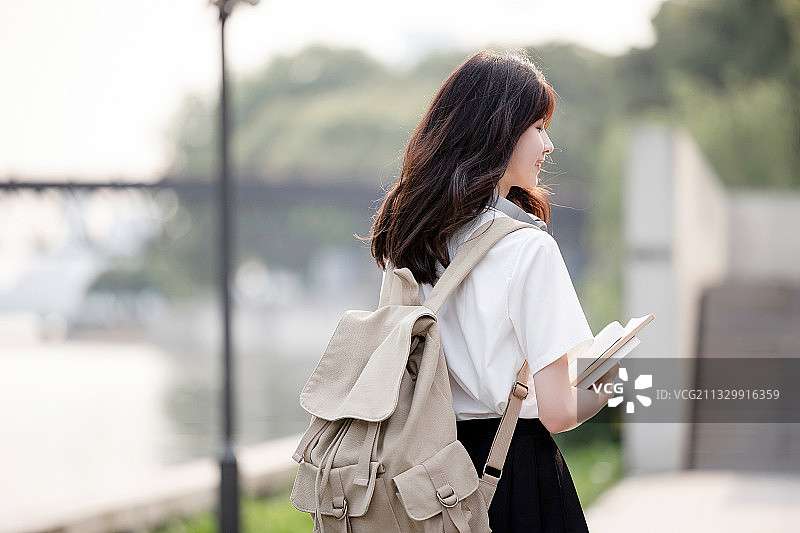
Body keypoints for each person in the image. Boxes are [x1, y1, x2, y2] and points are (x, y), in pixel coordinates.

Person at [368, 49, 619, 532]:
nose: (548, 146)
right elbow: (559, 412)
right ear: (500, 132)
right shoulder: (528, 249)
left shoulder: (410, 240)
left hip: (424, 476)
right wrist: (614, 380)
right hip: (512, 477)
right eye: (538, 127)